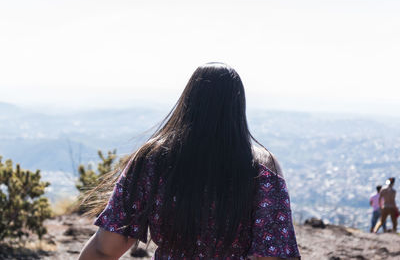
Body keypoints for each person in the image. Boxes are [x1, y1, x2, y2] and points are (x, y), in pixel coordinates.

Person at [78, 63, 301, 259]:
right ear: (238, 107)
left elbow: (104, 249)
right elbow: (273, 256)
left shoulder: (151, 161)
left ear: (188, 102)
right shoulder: (262, 168)